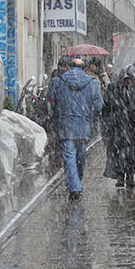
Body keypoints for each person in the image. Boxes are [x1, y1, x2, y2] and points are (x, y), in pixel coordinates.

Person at [47, 58, 103, 200]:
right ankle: (76, 184)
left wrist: (55, 117)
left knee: (69, 156)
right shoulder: (92, 83)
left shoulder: (57, 81)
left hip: (65, 125)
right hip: (83, 126)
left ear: (69, 67)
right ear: (84, 69)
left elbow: (50, 104)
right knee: (80, 157)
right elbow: (99, 106)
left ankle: (75, 186)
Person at [102, 65, 135, 188]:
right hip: (117, 127)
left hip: (133, 127)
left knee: (131, 155)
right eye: (127, 79)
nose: (129, 82)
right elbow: (106, 108)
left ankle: (130, 177)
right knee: (118, 154)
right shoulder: (113, 88)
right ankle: (120, 177)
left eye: (131, 79)